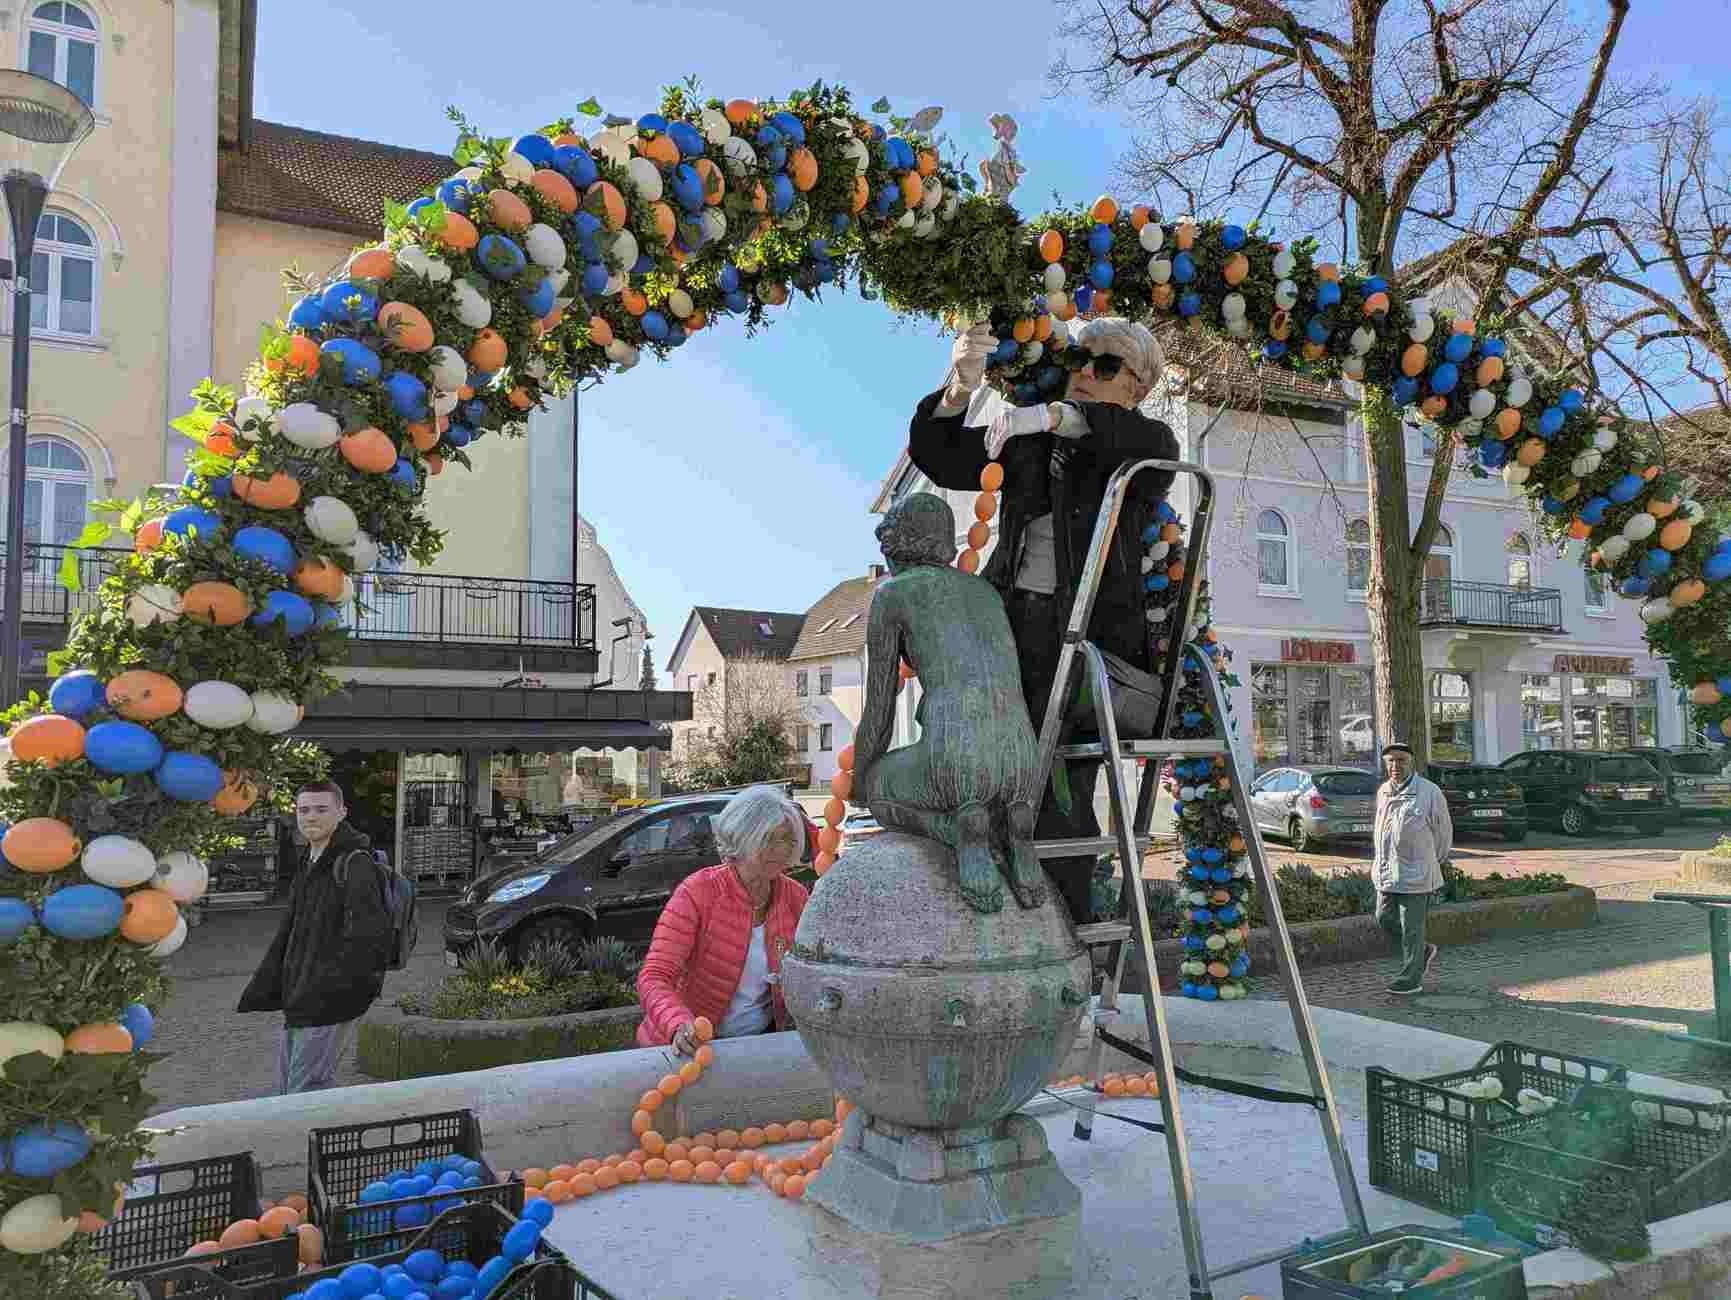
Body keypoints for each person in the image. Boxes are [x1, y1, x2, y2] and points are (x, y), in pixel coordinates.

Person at [906, 315, 1181, 924]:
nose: (1084, 371)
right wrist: (960, 385)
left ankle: (1067, 947)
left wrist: (1051, 415)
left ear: (1137, 387)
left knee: (1056, 797)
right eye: (1079, 359)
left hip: (1084, 644)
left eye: (1105, 366)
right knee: (974, 771)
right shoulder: (1031, 438)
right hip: (1010, 629)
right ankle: (983, 933)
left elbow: (1138, 446)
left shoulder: (1148, 441)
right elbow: (945, 458)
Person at [851, 491, 1043, 914]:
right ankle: (1014, 825)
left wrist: (860, 780)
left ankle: (958, 830)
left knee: (880, 790)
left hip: (957, 763)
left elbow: (880, 707)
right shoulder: (985, 593)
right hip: (1023, 763)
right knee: (997, 788)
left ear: (897, 547)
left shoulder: (892, 594)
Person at [238, 780, 394, 1094]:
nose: (311, 816)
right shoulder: (309, 860)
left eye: (321, 809)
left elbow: (371, 939)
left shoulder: (355, 863)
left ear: (341, 812)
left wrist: (329, 987)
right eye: (304, 809)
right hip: (300, 995)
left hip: (327, 999)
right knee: (289, 1088)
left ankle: (307, 1142)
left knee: (306, 1089)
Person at [636, 785, 811, 1054]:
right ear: (742, 840)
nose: (781, 849)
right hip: (688, 1050)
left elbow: (814, 970)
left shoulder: (795, 897)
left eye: (787, 839)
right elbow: (655, 976)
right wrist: (679, 1024)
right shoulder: (697, 892)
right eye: (768, 839)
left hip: (758, 1047)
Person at [1373, 742, 1453, 995]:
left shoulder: (1429, 792)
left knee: (1412, 928)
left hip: (1417, 872)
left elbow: (1443, 833)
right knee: (1384, 918)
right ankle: (1423, 951)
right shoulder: (1384, 790)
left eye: (1401, 761)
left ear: (1412, 763)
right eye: (1390, 761)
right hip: (1387, 871)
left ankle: (1411, 978)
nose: (1395, 766)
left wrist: (1432, 860)